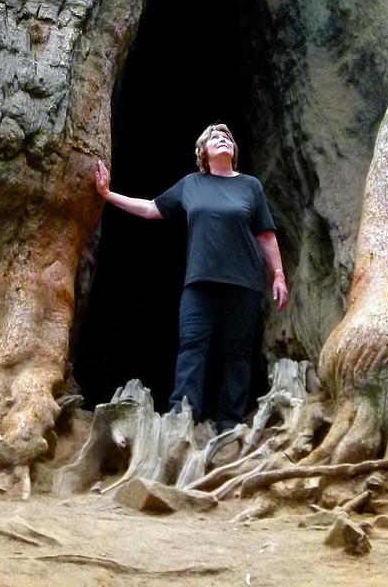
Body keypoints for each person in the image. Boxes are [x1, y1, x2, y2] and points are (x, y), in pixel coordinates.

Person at [94, 122, 288, 433]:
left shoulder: (250, 186)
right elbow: (151, 209)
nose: (222, 139)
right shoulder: (191, 184)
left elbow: (266, 235)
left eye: (227, 136)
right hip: (199, 283)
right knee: (192, 347)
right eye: (215, 137)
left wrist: (278, 275)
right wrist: (107, 194)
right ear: (202, 153)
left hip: (243, 283)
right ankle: (182, 415)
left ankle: (229, 423)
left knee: (237, 353)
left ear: (234, 150)